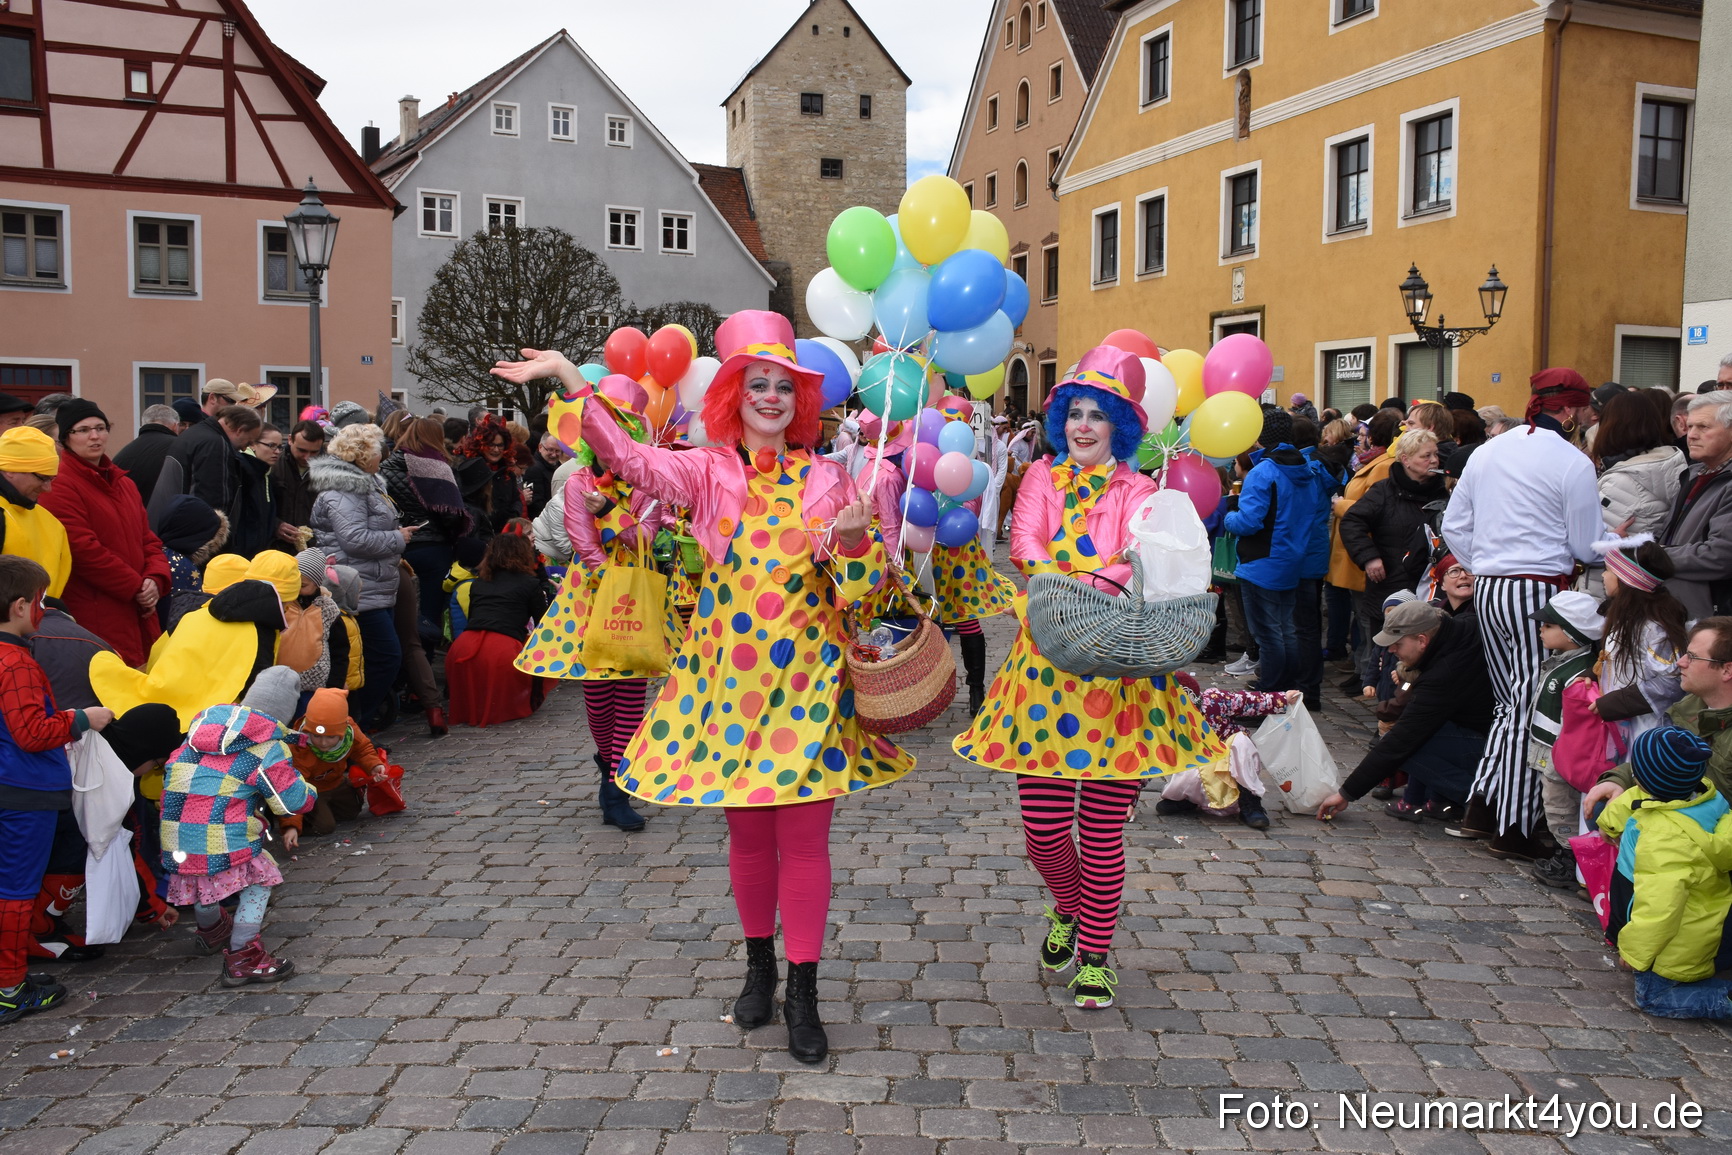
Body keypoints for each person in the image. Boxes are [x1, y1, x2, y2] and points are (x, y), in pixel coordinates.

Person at [492, 311, 912, 1064]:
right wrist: (569, 375)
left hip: (810, 683)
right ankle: (759, 968)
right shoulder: (705, 469)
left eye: (786, 386)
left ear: (801, 401)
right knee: (748, 835)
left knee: (805, 841)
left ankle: (805, 990)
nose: (774, 396)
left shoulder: (830, 477)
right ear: (733, 393)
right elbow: (624, 457)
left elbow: (866, 594)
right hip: (727, 684)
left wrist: (853, 543)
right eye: (759, 383)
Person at [951, 345, 1223, 1011]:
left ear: (1120, 428)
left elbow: (1149, 553)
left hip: (1121, 678)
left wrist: (1103, 581)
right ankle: (1067, 910)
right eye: (1075, 412)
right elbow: (1025, 543)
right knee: (1043, 830)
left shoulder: (1142, 490)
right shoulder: (1041, 476)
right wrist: (1062, 581)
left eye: (1098, 416)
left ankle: (1096, 954)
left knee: (1102, 831)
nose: (1083, 425)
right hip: (1045, 669)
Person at [1440, 369, 1606, 858]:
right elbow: (1584, 545)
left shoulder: (1491, 450)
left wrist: (1487, 563)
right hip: (1536, 587)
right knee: (1528, 706)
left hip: (1490, 584)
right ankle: (1511, 825)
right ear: (1571, 411)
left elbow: (1454, 525)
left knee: (1509, 703)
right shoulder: (1571, 461)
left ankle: (1483, 808)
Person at [514, 374, 667, 831]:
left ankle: (615, 786)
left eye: (617, 433)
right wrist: (607, 571)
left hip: (635, 591)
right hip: (592, 595)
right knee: (599, 695)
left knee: (631, 691)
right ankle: (609, 764)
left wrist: (611, 513)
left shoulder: (649, 482)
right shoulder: (579, 480)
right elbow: (583, 543)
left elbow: (648, 535)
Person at [0, 557, 115, 1025]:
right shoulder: (16, 663)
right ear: (23, 605)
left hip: (11, 787)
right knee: (15, 892)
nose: (45, 611)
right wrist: (83, 718)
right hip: (24, 793)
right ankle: (10, 986)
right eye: (44, 601)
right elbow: (31, 731)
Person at [160, 666, 312, 985]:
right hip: (220, 837)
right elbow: (292, 803)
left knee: (205, 879)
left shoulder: (198, 734)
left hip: (176, 836)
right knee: (260, 881)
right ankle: (244, 955)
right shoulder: (267, 747)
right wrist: (308, 789)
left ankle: (212, 930)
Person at [1594, 726, 1732, 1020]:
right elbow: (1634, 801)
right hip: (1705, 918)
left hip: (1676, 946)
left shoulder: (1664, 841)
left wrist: (1635, 954)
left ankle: (1723, 998)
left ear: (1643, 780)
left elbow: (1660, 907)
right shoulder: (1705, 796)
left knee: (1654, 998)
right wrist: (1609, 824)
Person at [1315, 601, 1494, 823]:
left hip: (1491, 741)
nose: (1391, 650)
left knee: (1406, 745)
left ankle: (1484, 803)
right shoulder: (1464, 625)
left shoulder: (1442, 674)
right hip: (1488, 730)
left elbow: (1401, 740)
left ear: (1421, 640)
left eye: (1397, 644)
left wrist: (1346, 794)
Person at [38, 401, 170, 668]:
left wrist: (155, 579)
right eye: (83, 430)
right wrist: (136, 587)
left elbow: (149, 540)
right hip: (95, 609)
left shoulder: (123, 483)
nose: (95, 436)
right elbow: (82, 549)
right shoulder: (60, 482)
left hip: (137, 608)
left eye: (100, 428)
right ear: (66, 438)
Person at [309, 424, 411, 731]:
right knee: (384, 658)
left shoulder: (364, 484)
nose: (384, 453)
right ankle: (353, 726)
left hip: (372, 584)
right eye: (379, 448)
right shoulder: (345, 489)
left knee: (373, 659)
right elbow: (355, 539)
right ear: (364, 455)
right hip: (356, 588)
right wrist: (399, 538)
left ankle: (354, 726)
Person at [1222, 408, 1328, 694]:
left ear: (1259, 437)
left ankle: (1270, 689)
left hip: (1262, 561)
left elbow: (1249, 522)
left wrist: (1230, 510)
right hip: (1292, 558)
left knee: (1268, 634)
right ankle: (1288, 687)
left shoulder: (1264, 471)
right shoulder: (1305, 467)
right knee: (1287, 630)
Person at [1339, 430, 1447, 695]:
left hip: (1432, 588)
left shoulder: (1446, 492)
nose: (1434, 460)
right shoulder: (1385, 491)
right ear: (1406, 460)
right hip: (1390, 587)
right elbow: (1353, 521)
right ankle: (1388, 713)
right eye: (1426, 456)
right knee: (1391, 658)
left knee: (1428, 654)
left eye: (1435, 454)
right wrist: (1369, 557)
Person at [1525, 591, 1606, 885]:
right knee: (1553, 804)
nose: (1541, 630)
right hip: (1547, 748)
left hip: (1561, 753)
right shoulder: (1563, 662)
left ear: (1571, 633)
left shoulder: (1577, 673)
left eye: (1548, 626)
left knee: (1560, 806)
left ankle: (1570, 858)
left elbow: (1576, 722)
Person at [1154, 674, 1292, 830]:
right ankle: (1188, 798)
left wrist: (1283, 699)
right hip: (1200, 763)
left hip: (1230, 764)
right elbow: (1148, 759)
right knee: (1186, 761)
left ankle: (1249, 801)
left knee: (1241, 741)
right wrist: (1129, 801)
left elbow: (1249, 702)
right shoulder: (1166, 724)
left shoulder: (1216, 700)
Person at [380, 417, 471, 646]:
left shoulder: (385, 466)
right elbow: (452, 515)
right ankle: (424, 666)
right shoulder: (437, 467)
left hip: (397, 546)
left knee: (400, 612)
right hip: (433, 548)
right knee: (429, 616)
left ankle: (403, 668)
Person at [1328, 410, 1401, 692]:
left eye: (1363, 434)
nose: (1360, 438)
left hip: (1362, 552)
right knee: (1360, 617)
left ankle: (1367, 673)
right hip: (1351, 550)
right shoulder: (1372, 462)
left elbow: (1369, 507)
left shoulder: (1383, 466)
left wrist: (1341, 505)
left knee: (1367, 618)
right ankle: (1361, 670)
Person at [446, 532, 550, 728]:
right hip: (501, 649)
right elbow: (543, 625)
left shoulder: (478, 583)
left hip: (463, 647)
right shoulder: (530, 583)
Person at [1590, 539, 1686, 746]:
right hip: (1618, 724)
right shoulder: (1625, 619)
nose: (1603, 575)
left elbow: (1672, 681)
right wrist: (1590, 676)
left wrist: (1617, 703)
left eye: (1608, 570)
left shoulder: (1654, 628)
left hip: (1643, 730)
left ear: (1627, 579)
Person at [1592, 392, 1684, 583]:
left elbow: (1591, 547)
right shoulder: (1672, 463)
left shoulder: (1623, 479)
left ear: (1612, 426)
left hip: (1608, 584)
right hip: (1643, 578)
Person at [279, 688, 386, 847]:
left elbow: (362, 749)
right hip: (311, 790)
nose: (322, 743)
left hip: (335, 781)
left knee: (351, 812)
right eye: (316, 736)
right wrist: (292, 825)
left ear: (342, 731)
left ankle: (328, 806)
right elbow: (293, 788)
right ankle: (294, 819)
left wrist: (374, 765)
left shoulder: (349, 729)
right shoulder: (299, 747)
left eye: (330, 737)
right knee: (324, 827)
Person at [1660, 391, 1732, 622]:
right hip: (1676, 609)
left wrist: (1654, 556)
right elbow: (1670, 537)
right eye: (1690, 427)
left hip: (1709, 620)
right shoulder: (1693, 473)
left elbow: (1719, 556)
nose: (1691, 435)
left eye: (1703, 427)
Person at [0, 427, 72, 598]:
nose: (48, 488)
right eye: (42, 477)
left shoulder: (51, 522)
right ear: (11, 470)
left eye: (52, 478)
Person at [169, 403, 262, 528]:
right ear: (240, 430)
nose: (245, 448)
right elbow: (214, 499)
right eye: (248, 441)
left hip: (178, 523)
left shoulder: (195, 434)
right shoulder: (216, 445)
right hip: (199, 532)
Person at [455, 416, 525, 535]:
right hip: (477, 534)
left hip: (503, 534)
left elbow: (516, 500)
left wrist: (512, 516)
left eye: (500, 445)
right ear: (480, 444)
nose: (496, 450)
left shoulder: (506, 471)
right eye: (491, 445)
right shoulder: (467, 468)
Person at [269, 420, 326, 553]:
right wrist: (275, 525)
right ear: (290, 440)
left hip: (314, 548)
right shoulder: (273, 465)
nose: (307, 457)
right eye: (302, 450)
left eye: (314, 452)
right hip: (277, 546)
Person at [228, 422, 283, 559]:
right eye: (271, 445)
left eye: (280, 447)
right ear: (252, 444)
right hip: (240, 556)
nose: (276, 451)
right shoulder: (242, 471)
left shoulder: (265, 473)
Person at [111, 404, 181, 504]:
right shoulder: (179, 447)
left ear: (143, 424)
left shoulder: (123, 454)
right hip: (166, 513)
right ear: (175, 426)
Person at [523, 433, 567, 519]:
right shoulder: (534, 469)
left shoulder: (557, 466)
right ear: (540, 447)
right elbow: (536, 504)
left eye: (557, 451)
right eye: (550, 450)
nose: (554, 455)